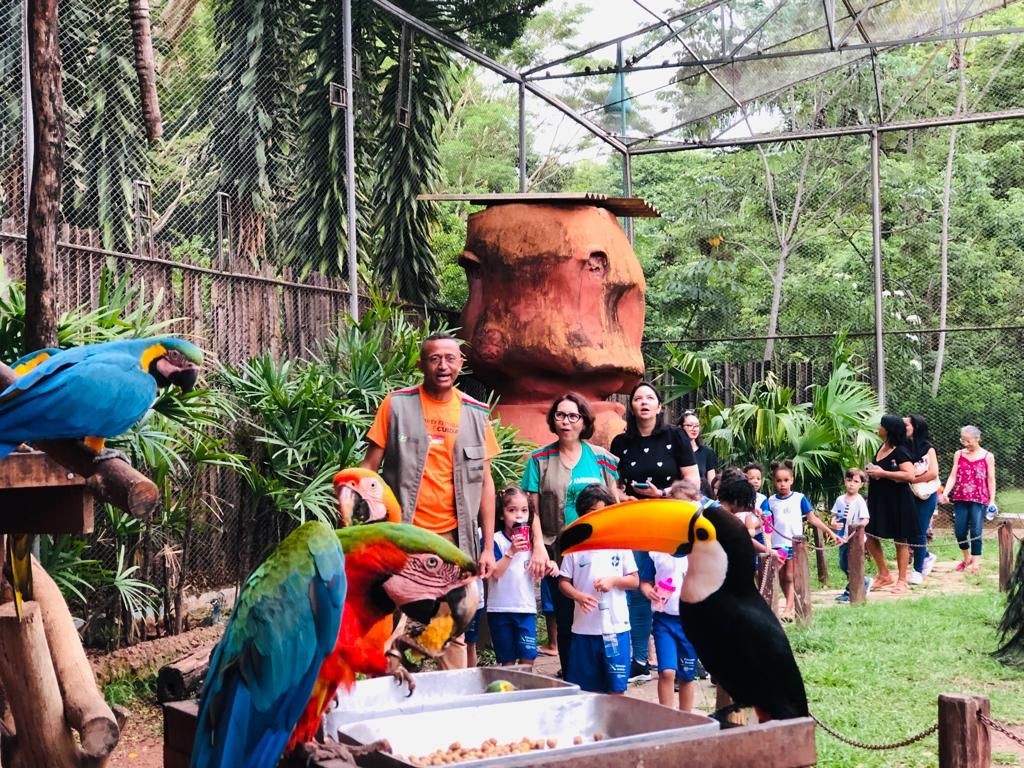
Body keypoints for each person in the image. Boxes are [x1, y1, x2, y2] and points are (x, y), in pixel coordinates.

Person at [361, 333, 503, 668]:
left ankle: (440, 684)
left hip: (453, 540)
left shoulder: (476, 413)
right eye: (435, 358)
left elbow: (485, 482)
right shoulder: (396, 405)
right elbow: (369, 469)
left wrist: (485, 547)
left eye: (450, 359)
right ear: (421, 364)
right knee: (390, 614)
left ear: (461, 365)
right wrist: (365, 529)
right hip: (402, 535)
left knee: (455, 614)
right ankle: (392, 686)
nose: (443, 366)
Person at [521, 392, 620, 678]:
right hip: (557, 550)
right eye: (560, 415)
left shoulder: (602, 459)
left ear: (584, 421)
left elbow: (612, 504)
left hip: (598, 546)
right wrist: (538, 546)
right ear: (553, 420)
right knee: (566, 615)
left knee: (600, 609)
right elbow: (532, 510)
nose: (566, 421)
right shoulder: (539, 459)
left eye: (572, 416)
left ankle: (604, 670)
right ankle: (572, 671)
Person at [610, 381, 699, 682]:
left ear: (659, 407)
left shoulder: (675, 436)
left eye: (650, 398)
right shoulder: (620, 443)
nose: (644, 402)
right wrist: (623, 497)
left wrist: (661, 494)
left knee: (680, 581)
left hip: (670, 519)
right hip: (634, 521)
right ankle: (639, 659)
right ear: (631, 406)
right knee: (639, 585)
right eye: (638, 398)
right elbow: (614, 485)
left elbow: (693, 483)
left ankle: (690, 656)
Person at [559, 484, 638, 694]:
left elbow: (634, 580)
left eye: (603, 512)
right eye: (592, 513)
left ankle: (615, 726)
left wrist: (613, 581)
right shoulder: (574, 547)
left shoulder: (619, 543)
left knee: (617, 690)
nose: (598, 517)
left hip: (616, 628)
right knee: (586, 692)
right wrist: (578, 595)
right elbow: (563, 581)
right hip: (584, 630)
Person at [487, 487, 558, 668]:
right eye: (512, 510)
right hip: (499, 610)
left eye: (524, 510)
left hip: (525, 609)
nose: (519, 516)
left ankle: (526, 691)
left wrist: (551, 566)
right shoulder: (495, 540)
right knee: (507, 660)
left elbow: (543, 567)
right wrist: (511, 551)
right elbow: (495, 573)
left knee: (528, 657)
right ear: (501, 515)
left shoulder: (534, 545)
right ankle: (508, 693)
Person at [767, 460, 839, 619]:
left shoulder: (799, 498)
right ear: (774, 482)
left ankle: (788, 608)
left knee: (790, 576)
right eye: (779, 481)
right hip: (777, 544)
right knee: (779, 577)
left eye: (786, 480)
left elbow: (812, 519)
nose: (782, 484)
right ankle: (788, 604)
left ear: (792, 480)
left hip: (795, 544)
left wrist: (830, 532)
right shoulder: (771, 501)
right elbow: (767, 523)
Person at [865, 414, 920, 594]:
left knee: (900, 539)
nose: (878, 428)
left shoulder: (901, 450)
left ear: (887, 429)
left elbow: (909, 475)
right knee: (870, 535)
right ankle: (884, 574)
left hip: (898, 500)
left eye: (881, 425)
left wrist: (884, 473)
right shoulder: (881, 447)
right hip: (879, 499)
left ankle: (902, 580)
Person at [639, 549, 697, 712]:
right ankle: (667, 717)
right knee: (667, 672)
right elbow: (644, 581)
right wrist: (649, 591)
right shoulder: (656, 553)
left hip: (690, 621)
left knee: (687, 674)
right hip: (663, 620)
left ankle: (687, 718)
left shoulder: (697, 553)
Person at [940, 425, 996, 574]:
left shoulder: (987, 456)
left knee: (976, 531)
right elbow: (953, 475)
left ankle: (976, 563)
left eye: (968, 441)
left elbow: (991, 479)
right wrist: (946, 492)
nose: (965, 444)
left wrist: (992, 500)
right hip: (960, 497)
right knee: (959, 531)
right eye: (963, 440)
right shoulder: (958, 454)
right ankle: (967, 558)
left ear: (977, 439)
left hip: (979, 498)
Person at [905, 415, 939, 583]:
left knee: (919, 531)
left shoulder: (928, 448)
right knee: (908, 531)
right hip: (907, 495)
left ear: (916, 427)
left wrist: (912, 479)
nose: (904, 427)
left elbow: (933, 472)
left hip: (926, 495)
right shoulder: (902, 446)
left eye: (907, 424)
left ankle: (917, 571)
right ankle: (926, 555)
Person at [830, 468, 873, 603]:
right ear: (845, 482)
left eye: (855, 481)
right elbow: (834, 517)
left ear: (861, 484)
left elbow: (866, 518)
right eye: (849, 480)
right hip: (842, 537)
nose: (851, 484)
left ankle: (852, 590)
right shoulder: (840, 499)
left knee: (853, 564)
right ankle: (862, 581)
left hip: (855, 539)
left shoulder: (859, 500)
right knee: (843, 564)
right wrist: (833, 523)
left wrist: (859, 528)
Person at [716, 471, 776, 561]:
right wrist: (767, 550)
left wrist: (751, 509)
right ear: (737, 500)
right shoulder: (725, 520)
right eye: (745, 501)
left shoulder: (713, 508)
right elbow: (743, 537)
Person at [679, 410, 718, 496]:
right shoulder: (675, 452)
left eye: (696, 426)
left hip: (702, 499)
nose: (694, 429)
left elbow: (711, 482)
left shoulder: (707, 452)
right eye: (689, 425)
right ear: (681, 427)